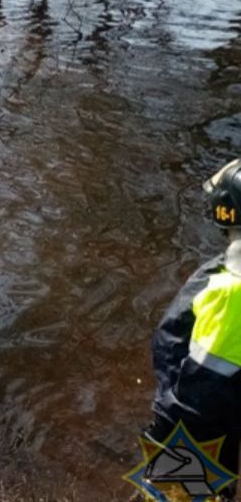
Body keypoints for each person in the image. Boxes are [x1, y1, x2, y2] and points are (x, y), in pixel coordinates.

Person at [144, 158, 241, 486]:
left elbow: (202, 384)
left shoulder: (226, 291)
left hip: (200, 424)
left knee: (181, 492)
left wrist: (167, 433)